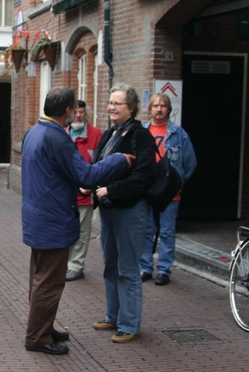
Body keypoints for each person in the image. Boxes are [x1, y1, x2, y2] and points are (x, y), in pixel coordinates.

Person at [21, 87, 131, 355]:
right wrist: (120, 159)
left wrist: (72, 184)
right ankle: (38, 337)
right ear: (68, 111)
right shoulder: (57, 137)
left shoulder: (34, 132)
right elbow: (87, 175)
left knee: (40, 278)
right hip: (53, 220)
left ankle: (44, 328)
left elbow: (51, 173)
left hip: (38, 216)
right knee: (49, 282)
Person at [91, 83, 157, 344]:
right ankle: (113, 317)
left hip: (130, 211)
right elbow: (99, 167)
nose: (111, 107)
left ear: (131, 107)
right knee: (110, 266)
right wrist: (92, 185)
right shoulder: (109, 134)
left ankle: (130, 325)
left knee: (128, 269)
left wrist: (111, 189)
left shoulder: (141, 137)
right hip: (108, 211)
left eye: (117, 103)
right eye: (110, 102)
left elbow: (144, 176)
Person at [140, 93, 197, 286]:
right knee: (146, 229)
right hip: (147, 189)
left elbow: (190, 162)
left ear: (169, 109)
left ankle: (164, 270)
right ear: (150, 109)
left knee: (167, 231)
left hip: (169, 192)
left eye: (163, 105)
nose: (159, 109)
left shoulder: (178, 133)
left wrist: (177, 182)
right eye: (155, 105)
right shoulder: (143, 131)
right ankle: (145, 267)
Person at [65, 100, 102, 282]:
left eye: (81, 111)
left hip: (85, 195)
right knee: (65, 230)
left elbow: (100, 164)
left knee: (82, 232)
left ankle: (76, 266)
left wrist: (91, 185)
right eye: (75, 112)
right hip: (65, 195)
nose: (78, 115)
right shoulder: (62, 134)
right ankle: (65, 264)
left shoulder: (96, 135)